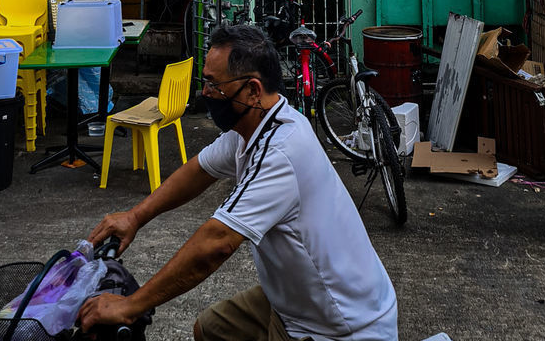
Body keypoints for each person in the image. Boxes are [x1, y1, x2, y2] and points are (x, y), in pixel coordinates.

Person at [78, 23, 398, 341]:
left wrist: (131, 305)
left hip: (340, 323)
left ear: (253, 90)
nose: (205, 93)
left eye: (214, 86)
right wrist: (135, 217)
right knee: (210, 328)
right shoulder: (253, 127)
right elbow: (200, 169)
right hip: (293, 299)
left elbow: (217, 242)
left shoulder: (283, 150)